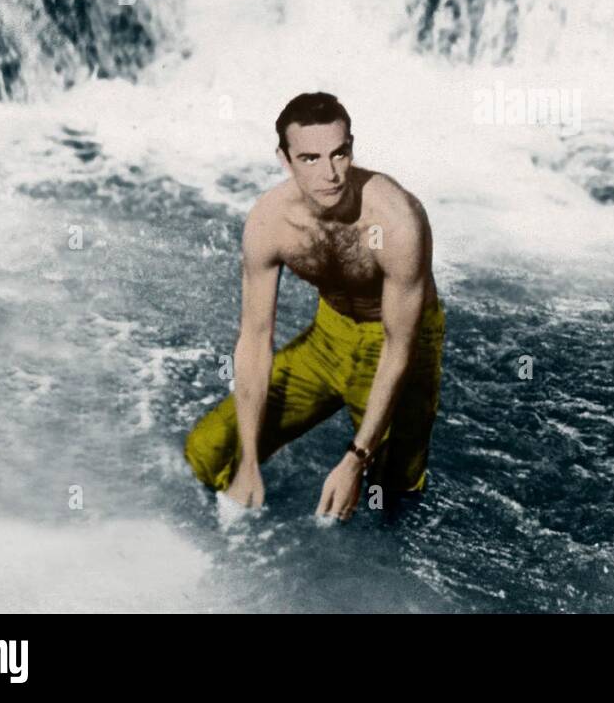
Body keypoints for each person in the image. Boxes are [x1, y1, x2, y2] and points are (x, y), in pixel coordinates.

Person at [184, 92, 446, 522]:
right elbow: (253, 339)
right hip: (328, 336)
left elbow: (401, 346)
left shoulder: (396, 220)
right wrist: (249, 462)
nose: (330, 173)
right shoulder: (270, 222)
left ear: (351, 148)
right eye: (309, 159)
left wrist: (354, 459)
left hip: (400, 340)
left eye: (339, 154)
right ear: (284, 160)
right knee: (209, 451)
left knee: (388, 495)